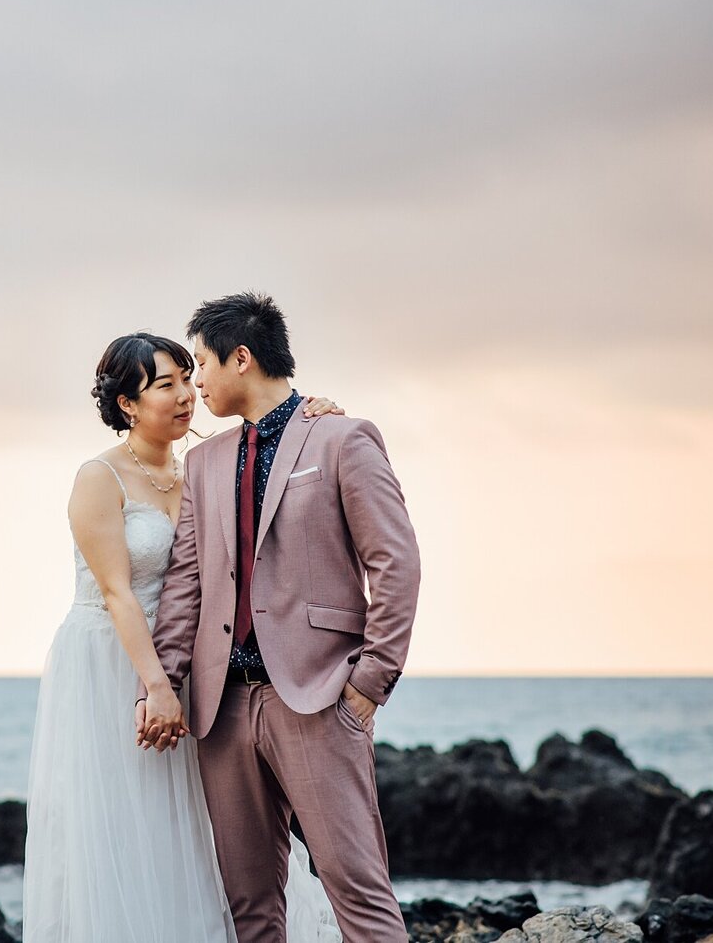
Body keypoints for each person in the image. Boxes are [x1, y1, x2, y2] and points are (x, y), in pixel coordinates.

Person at [22, 331, 344, 942]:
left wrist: (315, 412)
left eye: (186, 378)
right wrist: (156, 686)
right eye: (164, 385)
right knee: (127, 826)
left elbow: (276, 435)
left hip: (194, 665)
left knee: (207, 825)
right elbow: (118, 592)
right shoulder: (99, 478)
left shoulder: (207, 462)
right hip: (111, 666)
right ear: (127, 405)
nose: (185, 394)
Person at [139, 292, 420, 943]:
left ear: (242, 358)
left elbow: (396, 564)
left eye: (203, 365)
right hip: (223, 710)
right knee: (251, 908)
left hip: (320, 701)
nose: (196, 382)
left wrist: (368, 683)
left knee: (360, 894)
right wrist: (163, 684)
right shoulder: (204, 463)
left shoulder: (343, 438)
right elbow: (184, 584)